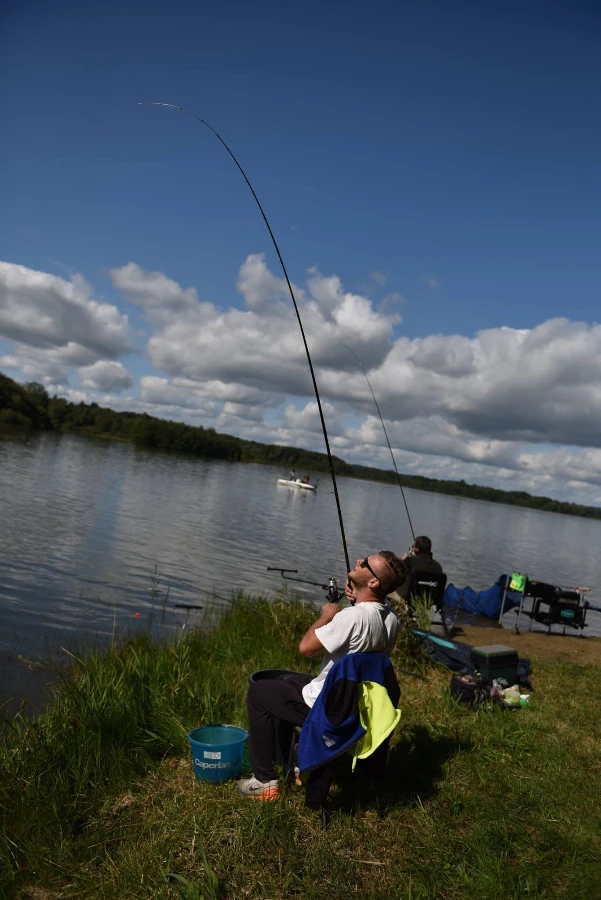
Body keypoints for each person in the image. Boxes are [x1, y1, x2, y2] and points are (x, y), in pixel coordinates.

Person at [237, 550, 407, 800]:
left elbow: (305, 648)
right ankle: (298, 763)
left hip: (329, 707)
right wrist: (358, 599)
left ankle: (265, 782)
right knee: (285, 681)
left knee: (259, 693)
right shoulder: (391, 618)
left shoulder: (351, 616)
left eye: (366, 563)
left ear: (373, 582)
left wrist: (327, 616)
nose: (359, 561)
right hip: (355, 705)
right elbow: (367, 620)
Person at [388, 535, 442, 606]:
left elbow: (394, 572)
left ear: (416, 549)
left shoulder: (409, 561)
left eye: (414, 545)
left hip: (407, 599)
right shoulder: (438, 566)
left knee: (387, 588)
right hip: (428, 601)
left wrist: (401, 561)